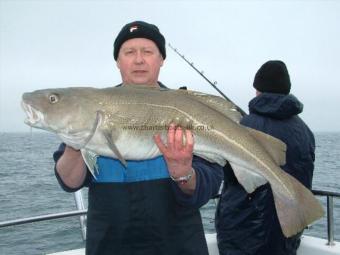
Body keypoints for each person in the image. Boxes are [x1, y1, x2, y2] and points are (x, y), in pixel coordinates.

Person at [53, 21, 223, 255]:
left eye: (148, 51)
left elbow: (209, 185)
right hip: (109, 247)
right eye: (129, 52)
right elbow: (70, 182)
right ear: (118, 61)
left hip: (179, 247)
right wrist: (75, 143)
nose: (139, 60)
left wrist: (184, 173)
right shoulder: (90, 110)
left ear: (161, 59)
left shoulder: (188, 111)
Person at [215, 60, 315, 255]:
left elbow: (230, 174)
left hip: (244, 233)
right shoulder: (305, 131)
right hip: (288, 232)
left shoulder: (244, 126)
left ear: (258, 89)